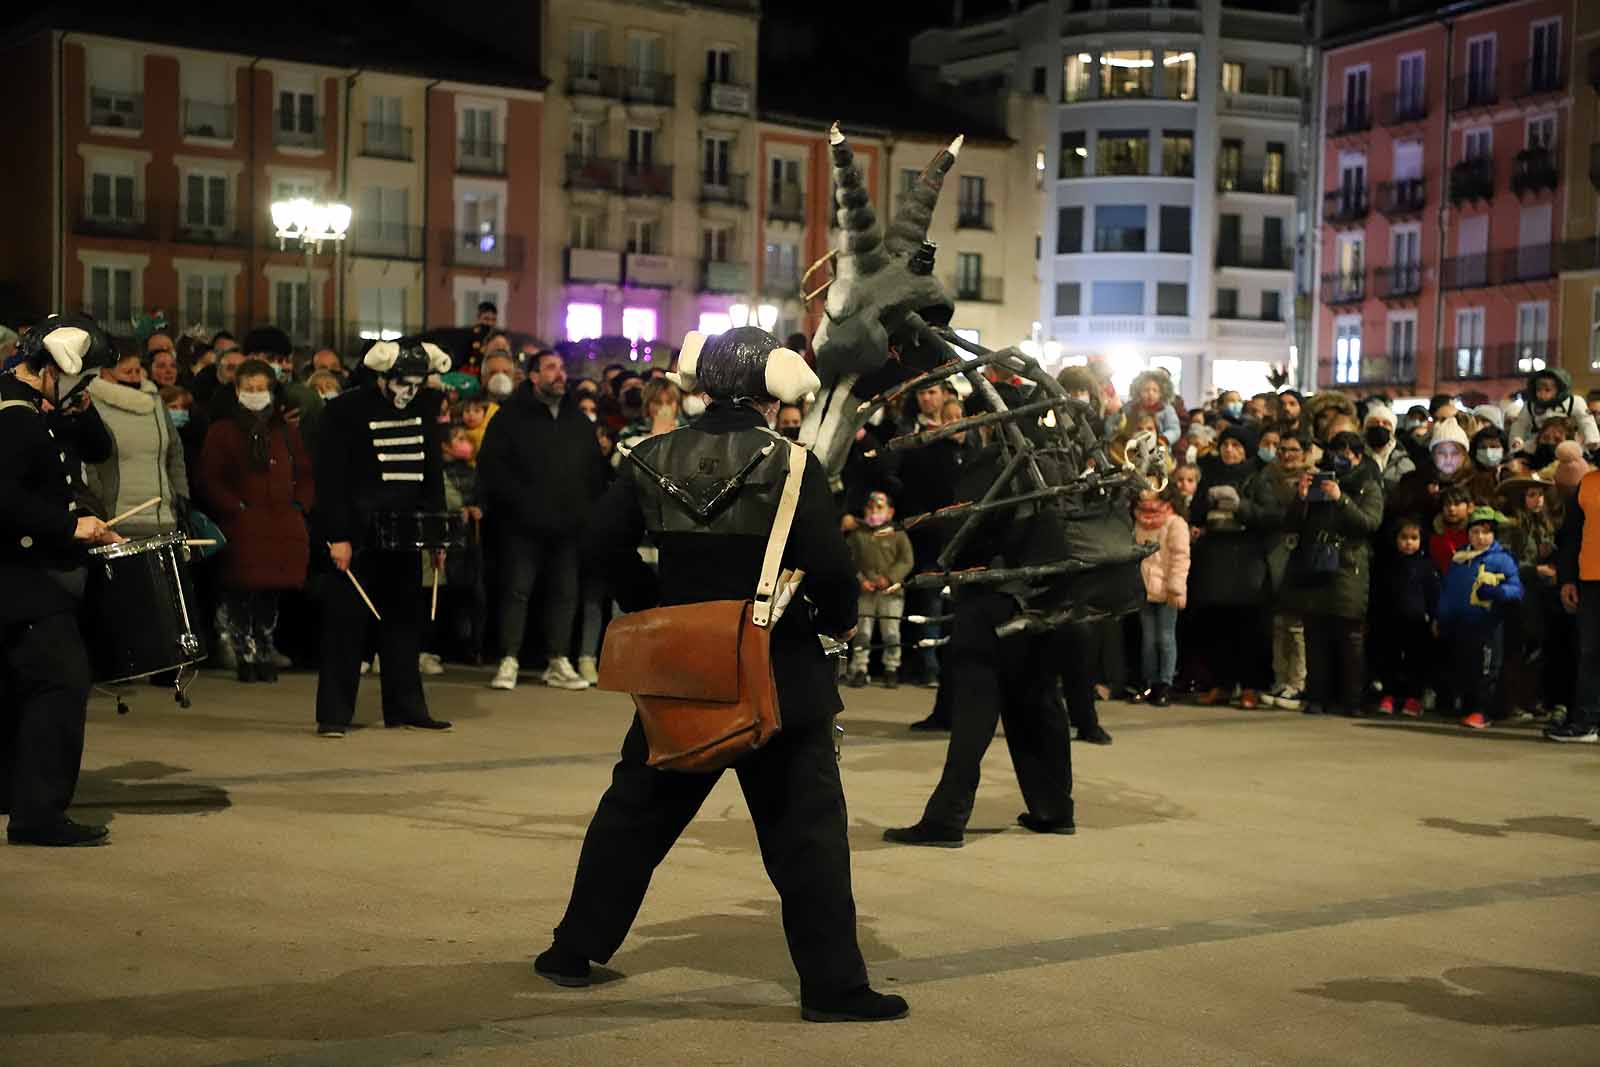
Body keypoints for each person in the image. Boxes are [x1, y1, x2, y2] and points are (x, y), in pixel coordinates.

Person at [537, 327, 908, 1024]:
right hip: (779, 669)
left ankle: (573, 950)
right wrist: (836, 623)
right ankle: (833, 986)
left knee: (634, 814)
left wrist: (651, 608)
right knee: (808, 833)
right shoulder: (794, 465)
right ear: (772, 387)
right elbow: (830, 568)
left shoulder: (649, 454)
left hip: (684, 663)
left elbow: (599, 543)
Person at [885, 385, 1077, 847]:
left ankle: (947, 818)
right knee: (1038, 703)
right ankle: (1054, 808)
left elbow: (965, 525)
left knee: (973, 710)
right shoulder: (1057, 462)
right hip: (1044, 600)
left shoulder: (995, 463)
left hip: (992, 598)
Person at [0, 316, 121, 846]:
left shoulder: (31, 410)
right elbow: (5, 500)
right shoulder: (16, 418)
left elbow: (96, 448)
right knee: (61, 681)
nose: (87, 387)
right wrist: (73, 524)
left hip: (22, 573)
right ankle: (39, 814)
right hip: (19, 574)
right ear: (57, 368)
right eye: (84, 376)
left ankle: (14, 795)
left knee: (16, 687)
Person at [313, 337, 454, 737]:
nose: (408, 392)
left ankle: (406, 707)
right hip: (357, 535)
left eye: (416, 384)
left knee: (405, 624)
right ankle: (334, 714)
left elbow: (432, 476)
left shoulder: (424, 410)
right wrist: (338, 536)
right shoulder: (343, 411)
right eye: (401, 383)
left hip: (406, 533)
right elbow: (331, 480)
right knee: (346, 626)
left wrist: (435, 535)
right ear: (381, 377)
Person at [478, 349, 608, 692]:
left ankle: (557, 660)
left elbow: (592, 470)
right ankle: (509, 659)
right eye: (551, 368)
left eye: (562, 368)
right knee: (517, 592)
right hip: (522, 525)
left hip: (568, 527)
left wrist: (585, 511)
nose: (559, 374)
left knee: (565, 594)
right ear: (533, 376)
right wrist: (518, 506)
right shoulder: (510, 417)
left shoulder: (576, 420)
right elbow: (493, 468)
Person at [197, 359, 315, 683]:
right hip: (243, 524)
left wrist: (298, 505)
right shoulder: (223, 430)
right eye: (249, 389)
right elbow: (210, 476)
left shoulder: (285, 431)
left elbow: (304, 472)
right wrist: (235, 506)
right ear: (237, 391)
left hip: (281, 524)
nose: (255, 394)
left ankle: (264, 648)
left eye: (261, 388)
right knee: (240, 590)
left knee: (270, 592)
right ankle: (243, 650)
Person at [1281, 431, 1384, 718]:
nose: (1339, 460)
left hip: (1348, 567)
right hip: (1315, 564)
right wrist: (1301, 499)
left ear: (1358, 457)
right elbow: (1291, 524)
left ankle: (1352, 700)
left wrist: (1341, 500)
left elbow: (1369, 523)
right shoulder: (1318, 481)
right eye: (1335, 453)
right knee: (1315, 636)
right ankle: (1317, 697)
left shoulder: (1368, 486)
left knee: (1349, 637)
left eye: (1346, 454)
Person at [1188, 424, 1281, 707]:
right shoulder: (1210, 475)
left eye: (1237, 446)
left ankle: (1251, 686)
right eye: (1226, 445)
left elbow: (1270, 516)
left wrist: (1240, 506)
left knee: (1248, 627)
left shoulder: (1258, 478)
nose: (1229, 450)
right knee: (1219, 625)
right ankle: (1222, 683)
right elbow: (1197, 513)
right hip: (1215, 558)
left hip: (1246, 560)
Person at [85, 350, 189, 540]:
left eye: (137, 371)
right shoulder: (91, 404)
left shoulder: (155, 401)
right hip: (115, 521)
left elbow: (174, 453)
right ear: (105, 373)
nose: (134, 377)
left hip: (163, 518)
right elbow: (89, 460)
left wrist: (181, 496)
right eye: (127, 372)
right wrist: (98, 503)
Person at [1438, 507, 1522, 729]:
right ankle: (1467, 707)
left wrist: (1497, 593)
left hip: (1488, 624)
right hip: (1462, 624)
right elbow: (1448, 590)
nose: (1480, 537)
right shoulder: (1459, 558)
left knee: (1486, 669)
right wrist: (1442, 616)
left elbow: (1516, 589)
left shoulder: (1502, 559)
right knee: (1463, 666)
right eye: (1475, 532)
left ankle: (1482, 711)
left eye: (1485, 532)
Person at [1548, 462, 1600, 742]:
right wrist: (1567, 580)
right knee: (1590, 654)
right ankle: (1586, 721)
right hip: (1590, 581)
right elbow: (1570, 538)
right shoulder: (1588, 483)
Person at [845, 490, 914, 688]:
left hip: (891, 592)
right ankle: (860, 667)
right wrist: (860, 580)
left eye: (880, 507)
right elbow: (848, 559)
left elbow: (906, 560)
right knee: (863, 631)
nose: (874, 511)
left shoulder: (898, 533)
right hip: (865, 591)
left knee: (891, 630)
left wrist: (890, 578)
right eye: (870, 507)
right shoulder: (858, 534)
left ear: (890, 512)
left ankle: (891, 668)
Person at [1130, 479, 1189, 706]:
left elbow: (1180, 558)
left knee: (1165, 638)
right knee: (1147, 639)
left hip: (1166, 590)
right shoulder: (1137, 522)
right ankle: (1149, 682)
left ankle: (1165, 683)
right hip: (1143, 589)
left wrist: (1176, 588)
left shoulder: (1175, 523)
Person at [1373, 518, 1440, 717]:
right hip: (1389, 622)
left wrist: (1435, 618)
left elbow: (1433, 594)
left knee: (1416, 662)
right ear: (1395, 539)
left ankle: (1413, 699)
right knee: (1389, 660)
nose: (1408, 542)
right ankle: (1389, 696)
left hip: (1418, 623)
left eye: (1414, 538)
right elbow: (1377, 594)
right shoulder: (1385, 565)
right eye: (1404, 538)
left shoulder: (1427, 566)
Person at [1508, 368, 1600, 455]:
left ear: (1559, 389)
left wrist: (1592, 439)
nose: (1542, 394)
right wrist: (1516, 442)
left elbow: (1586, 421)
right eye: (1538, 390)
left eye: (1547, 390)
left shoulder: (1574, 402)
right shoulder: (1530, 406)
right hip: (1539, 446)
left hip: (1569, 445)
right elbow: (1519, 425)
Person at [1362, 403, 1414, 489]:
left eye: (1386, 423)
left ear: (1393, 431)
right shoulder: (1355, 458)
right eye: (1374, 422)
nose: (1379, 426)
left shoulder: (1404, 463)